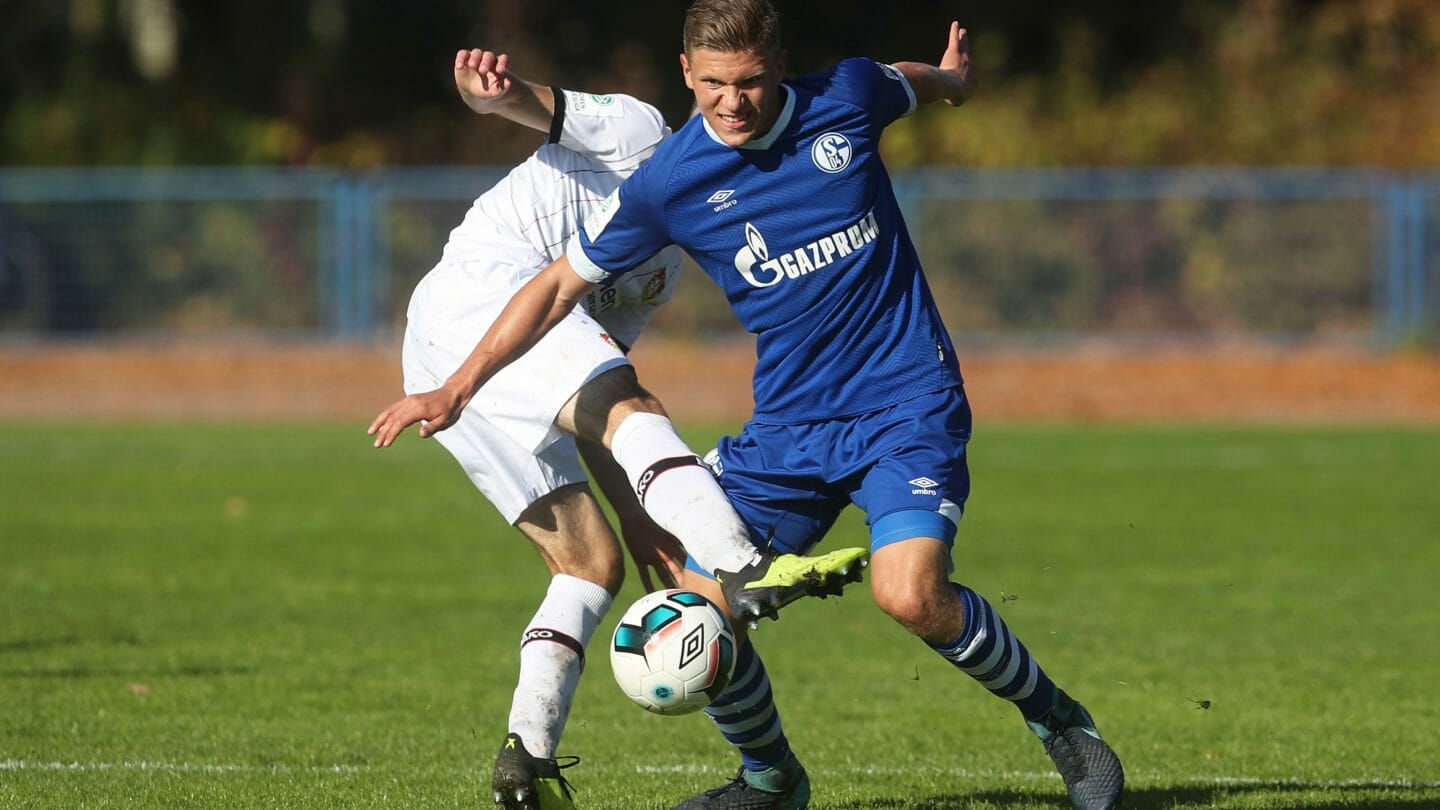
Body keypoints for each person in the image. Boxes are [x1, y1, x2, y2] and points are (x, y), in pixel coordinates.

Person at [367, 48, 868, 810]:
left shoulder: (663, 264)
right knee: (641, 411)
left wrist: (649, 531)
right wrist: (487, 95)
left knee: (589, 568)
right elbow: (529, 105)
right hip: (478, 308)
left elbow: (597, 413)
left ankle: (526, 753)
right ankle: (744, 568)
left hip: (443, 353)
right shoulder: (643, 131)